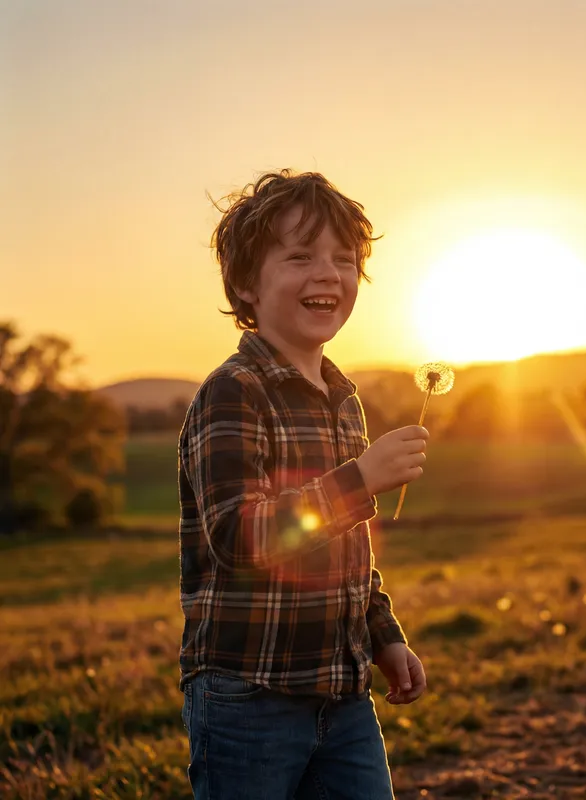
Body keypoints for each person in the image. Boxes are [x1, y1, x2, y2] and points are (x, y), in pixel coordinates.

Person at [178, 169, 428, 799]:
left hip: (342, 696)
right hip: (248, 695)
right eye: (299, 256)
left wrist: (384, 637)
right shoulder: (232, 394)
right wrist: (360, 478)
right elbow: (239, 537)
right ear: (245, 285)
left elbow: (351, 554)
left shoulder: (344, 400)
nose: (328, 273)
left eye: (344, 260)